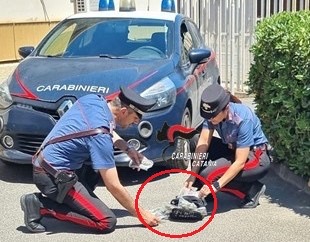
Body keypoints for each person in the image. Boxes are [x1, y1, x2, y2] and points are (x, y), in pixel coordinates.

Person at [20, 86, 160, 233]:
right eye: (135, 119)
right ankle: (40, 206)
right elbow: (113, 185)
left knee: (95, 167)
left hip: (44, 163)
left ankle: (73, 201)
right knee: (105, 221)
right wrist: (141, 214)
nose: (135, 123)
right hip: (52, 178)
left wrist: (128, 149)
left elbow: (103, 128)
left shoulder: (94, 100)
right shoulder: (100, 137)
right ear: (124, 112)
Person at [184, 83, 271, 208]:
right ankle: (203, 188)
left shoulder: (243, 118)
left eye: (213, 116)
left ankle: (252, 189)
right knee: (194, 140)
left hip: (256, 158)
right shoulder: (211, 116)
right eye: (207, 116)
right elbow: (203, 142)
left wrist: (216, 186)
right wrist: (192, 176)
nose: (210, 119)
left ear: (225, 108)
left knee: (209, 175)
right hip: (233, 149)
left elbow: (240, 161)